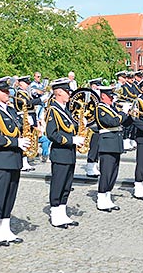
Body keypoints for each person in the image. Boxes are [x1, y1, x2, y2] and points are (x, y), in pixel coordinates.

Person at [0, 77, 28, 246]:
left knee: (10, 194)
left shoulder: (10, 110)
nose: (8, 93)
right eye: (4, 91)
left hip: (14, 159)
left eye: (8, 90)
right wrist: (16, 142)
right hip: (2, 158)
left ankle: (6, 227)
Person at [45, 78, 84, 227]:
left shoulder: (65, 109)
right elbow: (51, 133)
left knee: (67, 185)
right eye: (67, 91)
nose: (69, 94)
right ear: (59, 92)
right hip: (60, 153)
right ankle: (55, 213)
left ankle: (62, 212)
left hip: (69, 154)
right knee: (58, 184)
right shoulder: (52, 110)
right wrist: (71, 140)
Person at [94, 86, 132, 212]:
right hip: (107, 144)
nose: (112, 98)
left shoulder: (112, 108)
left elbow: (124, 123)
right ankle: (101, 198)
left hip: (115, 143)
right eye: (110, 96)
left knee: (113, 173)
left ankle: (108, 196)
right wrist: (123, 113)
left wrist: (129, 114)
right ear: (103, 96)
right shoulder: (100, 109)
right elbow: (112, 122)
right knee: (106, 173)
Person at [15, 75, 44, 171]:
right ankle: (22, 162)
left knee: (30, 139)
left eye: (28, 83)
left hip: (30, 118)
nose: (27, 85)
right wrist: (40, 100)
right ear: (20, 83)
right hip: (24, 118)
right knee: (25, 139)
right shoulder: (19, 94)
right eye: (25, 83)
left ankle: (26, 161)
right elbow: (26, 103)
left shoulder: (26, 93)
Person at [85, 78, 103, 177]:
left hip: (98, 124)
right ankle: (90, 166)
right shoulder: (88, 97)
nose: (97, 87)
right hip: (92, 125)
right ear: (92, 85)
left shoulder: (97, 97)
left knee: (97, 147)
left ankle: (94, 165)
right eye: (96, 85)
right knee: (93, 147)